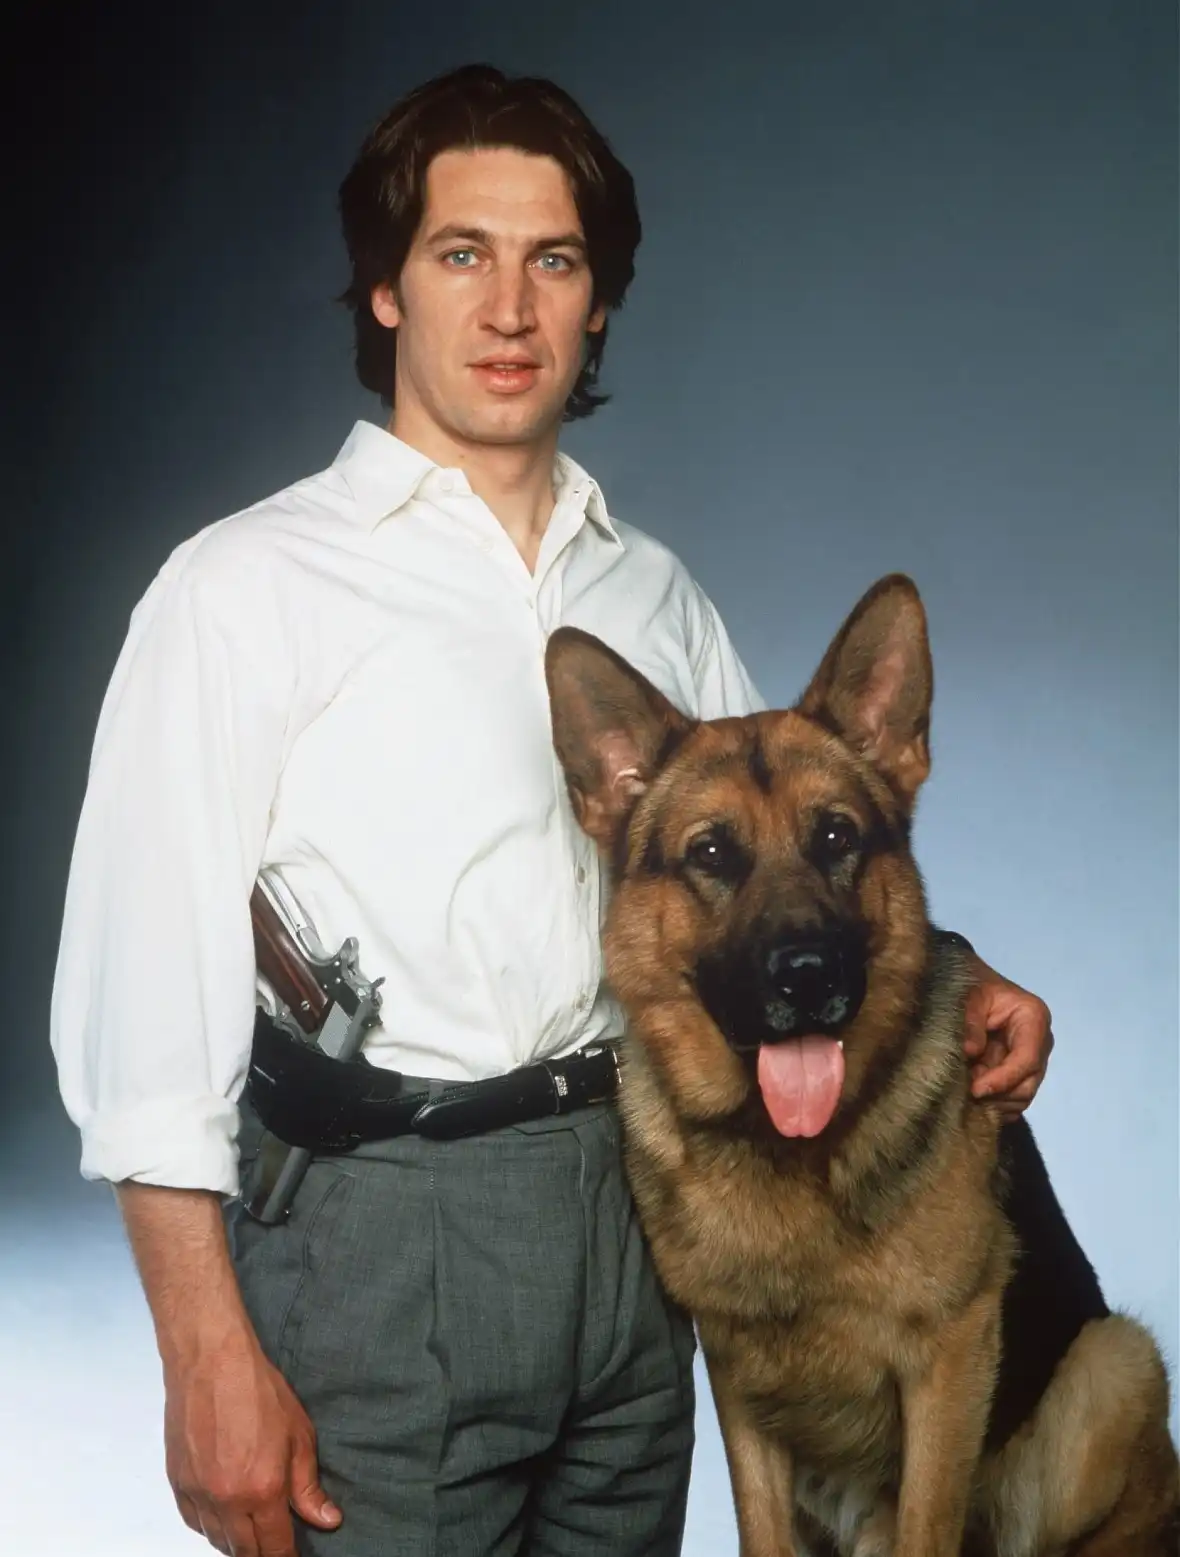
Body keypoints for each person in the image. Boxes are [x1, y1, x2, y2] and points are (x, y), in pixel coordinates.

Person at [49, 64, 1054, 1557]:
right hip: (389, 1229)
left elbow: (788, 845)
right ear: (385, 288)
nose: (511, 308)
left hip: (645, 1210)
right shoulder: (242, 589)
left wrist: (964, 978)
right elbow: (140, 1004)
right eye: (463, 253)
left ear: (598, 304)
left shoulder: (650, 591)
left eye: (556, 261)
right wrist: (203, 1355)